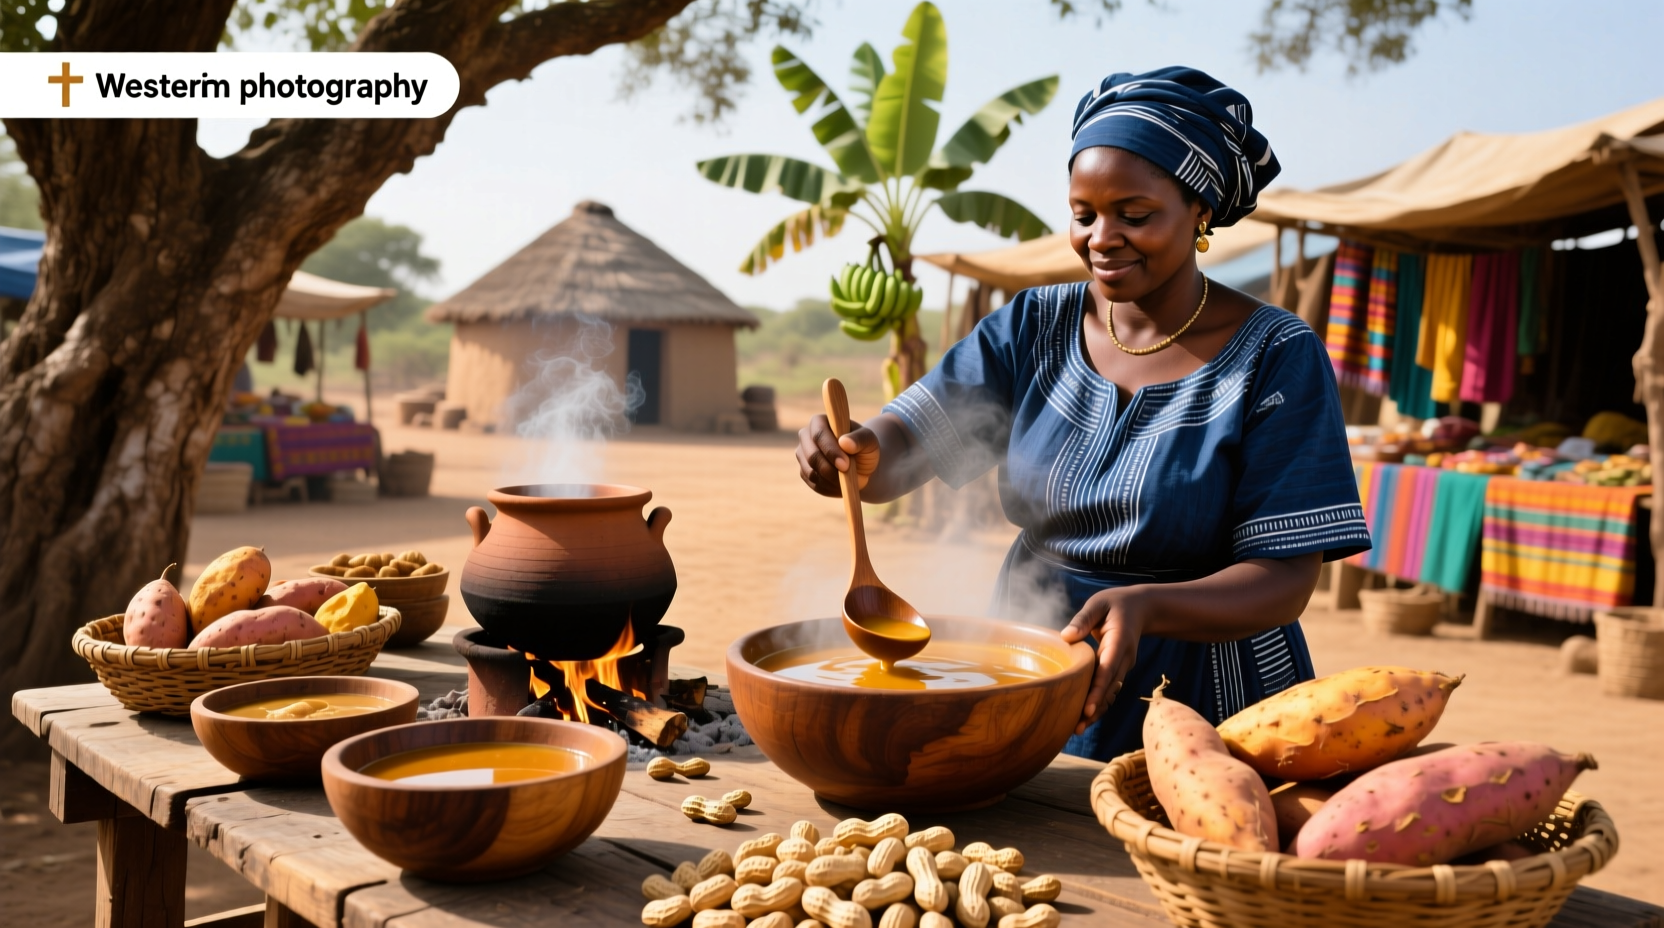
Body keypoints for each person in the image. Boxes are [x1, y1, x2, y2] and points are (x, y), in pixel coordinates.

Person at [795, 67, 1370, 761]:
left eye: (1135, 216)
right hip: (1037, 656)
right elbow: (909, 445)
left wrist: (1148, 606)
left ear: (1200, 213)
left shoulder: (1275, 355)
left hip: (1211, 693)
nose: (1102, 238)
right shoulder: (1034, 326)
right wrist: (854, 454)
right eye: (1083, 214)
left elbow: (1284, 582)